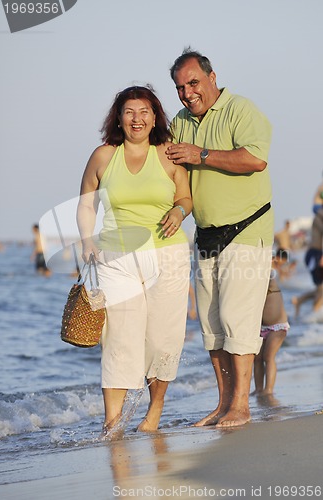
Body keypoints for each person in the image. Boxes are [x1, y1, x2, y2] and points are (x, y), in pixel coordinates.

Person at [166, 48, 273, 428]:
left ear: (212, 77)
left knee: (235, 320)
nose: (187, 93)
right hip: (205, 234)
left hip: (247, 229)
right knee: (211, 327)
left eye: (193, 83)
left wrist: (202, 154)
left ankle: (242, 407)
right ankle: (224, 404)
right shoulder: (179, 121)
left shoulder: (240, 109)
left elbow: (255, 159)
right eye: (179, 87)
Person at [76, 85, 192, 435]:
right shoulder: (103, 156)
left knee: (161, 341)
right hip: (116, 257)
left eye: (144, 112)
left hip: (167, 254)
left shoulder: (168, 156)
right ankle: (112, 426)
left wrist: (178, 210)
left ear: (155, 117)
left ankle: (153, 413)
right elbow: (85, 204)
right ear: (119, 118)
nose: (136, 118)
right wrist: (86, 240)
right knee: (120, 341)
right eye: (129, 111)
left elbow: (186, 197)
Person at [253, 274, 289, 395]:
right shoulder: (252, 281)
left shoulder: (270, 279)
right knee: (257, 359)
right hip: (260, 328)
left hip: (277, 327)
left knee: (268, 357)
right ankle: (258, 388)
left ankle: (268, 389)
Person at [292, 208, 323, 319]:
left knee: (319, 289)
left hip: (317, 254)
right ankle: (313, 317)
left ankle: (299, 301)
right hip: (315, 255)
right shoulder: (320, 215)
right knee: (321, 289)